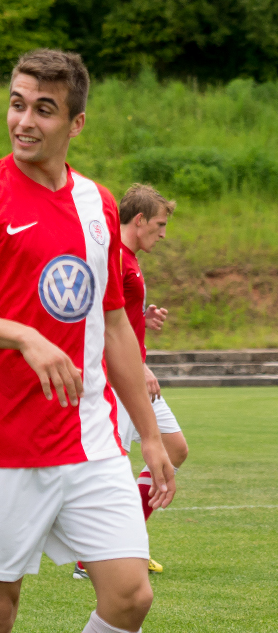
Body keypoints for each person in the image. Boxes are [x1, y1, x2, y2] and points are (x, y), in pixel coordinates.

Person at [0, 49, 176, 633]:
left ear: (75, 123)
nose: (24, 121)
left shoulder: (100, 204)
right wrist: (22, 334)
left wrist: (151, 436)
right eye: (17, 104)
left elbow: (113, 325)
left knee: (131, 596)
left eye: (44, 110)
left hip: (87, 436)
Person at [73, 183, 189, 580]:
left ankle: (128, 541)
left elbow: (121, 318)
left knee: (174, 449)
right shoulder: (112, 258)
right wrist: (137, 367)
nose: (163, 233)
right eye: (159, 224)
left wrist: (144, 318)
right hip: (120, 379)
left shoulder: (130, 260)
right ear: (138, 220)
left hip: (138, 375)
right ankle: (94, 556)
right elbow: (97, 326)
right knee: (114, 466)